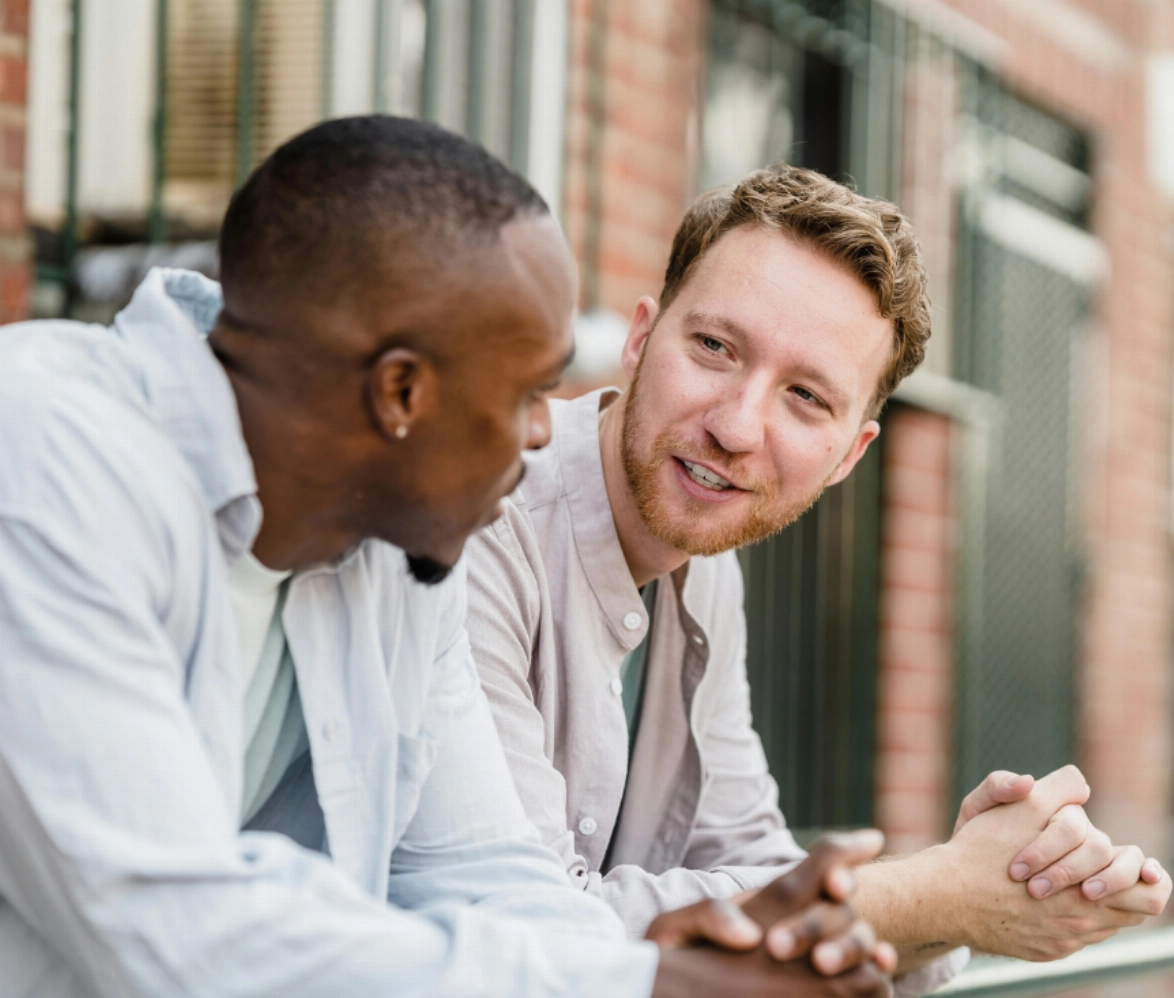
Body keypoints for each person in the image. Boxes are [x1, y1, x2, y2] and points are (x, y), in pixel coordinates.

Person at [0, 118, 898, 998]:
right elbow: (174, 926)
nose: (549, 429)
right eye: (527, 392)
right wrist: (651, 985)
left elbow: (489, 877)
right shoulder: (46, 460)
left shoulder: (394, 547)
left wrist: (660, 971)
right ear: (401, 393)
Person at [465, 165, 1174, 995]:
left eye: (805, 396)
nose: (734, 426)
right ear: (639, 339)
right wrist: (933, 892)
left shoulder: (706, 571)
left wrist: (980, 891)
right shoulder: (478, 519)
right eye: (714, 348)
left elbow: (748, 859)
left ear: (849, 455)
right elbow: (525, 933)